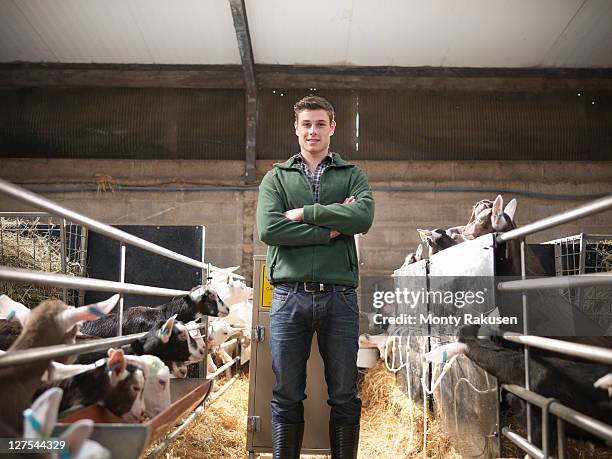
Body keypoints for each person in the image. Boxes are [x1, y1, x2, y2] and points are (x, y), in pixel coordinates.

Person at [256, 95, 375, 459]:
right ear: (296, 128)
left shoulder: (352, 174)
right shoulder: (276, 177)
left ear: (332, 128)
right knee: (287, 391)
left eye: (320, 124)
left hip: (338, 296)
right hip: (289, 295)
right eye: (306, 124)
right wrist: (329, 229)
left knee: (343, 392)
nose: (313, 131)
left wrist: (303, 213)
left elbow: (363, 219)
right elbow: (269, 228)